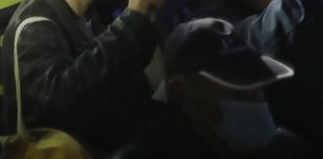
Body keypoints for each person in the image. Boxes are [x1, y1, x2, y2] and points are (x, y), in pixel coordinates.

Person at [2, 0, 166, 153]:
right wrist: (132, 24)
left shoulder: (89, 7)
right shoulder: (34, 27)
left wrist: (146, 19)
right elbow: (63, 103)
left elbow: (113, 83)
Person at [118, 18, 308, 158]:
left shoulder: (284, 149)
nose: (257, 103)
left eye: (259, 89)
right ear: (181, 91)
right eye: (238, 92)